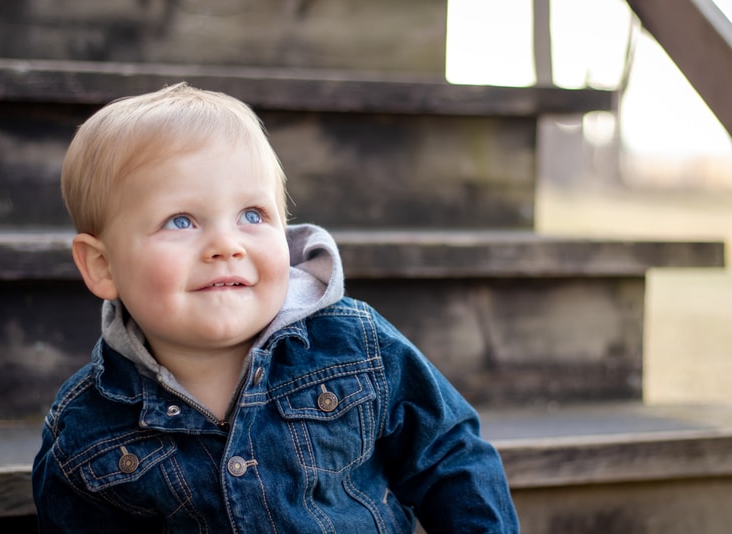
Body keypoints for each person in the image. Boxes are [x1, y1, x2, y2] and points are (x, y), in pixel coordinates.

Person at [32, 83, 520, 533]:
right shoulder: (86, 426)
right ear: (102, 266)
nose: (226, 245)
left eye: (252, 215)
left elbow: (451, 457)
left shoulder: (353, 346)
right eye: (180, 221)